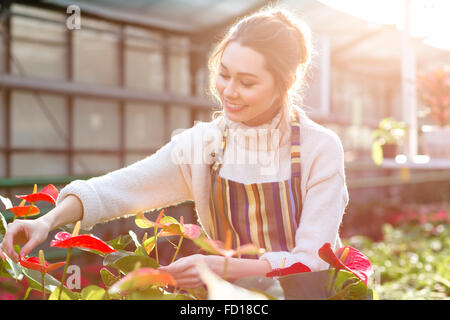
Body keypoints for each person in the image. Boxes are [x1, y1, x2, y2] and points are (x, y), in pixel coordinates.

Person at [0, 6, 349, 289]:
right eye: (224, 74)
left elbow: (313, 260)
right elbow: (119, 188)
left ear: (284, 84)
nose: (228, 91)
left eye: (247, 82)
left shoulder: (319, 149)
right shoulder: (204, 146)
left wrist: (222, 266)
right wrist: (46, 222)